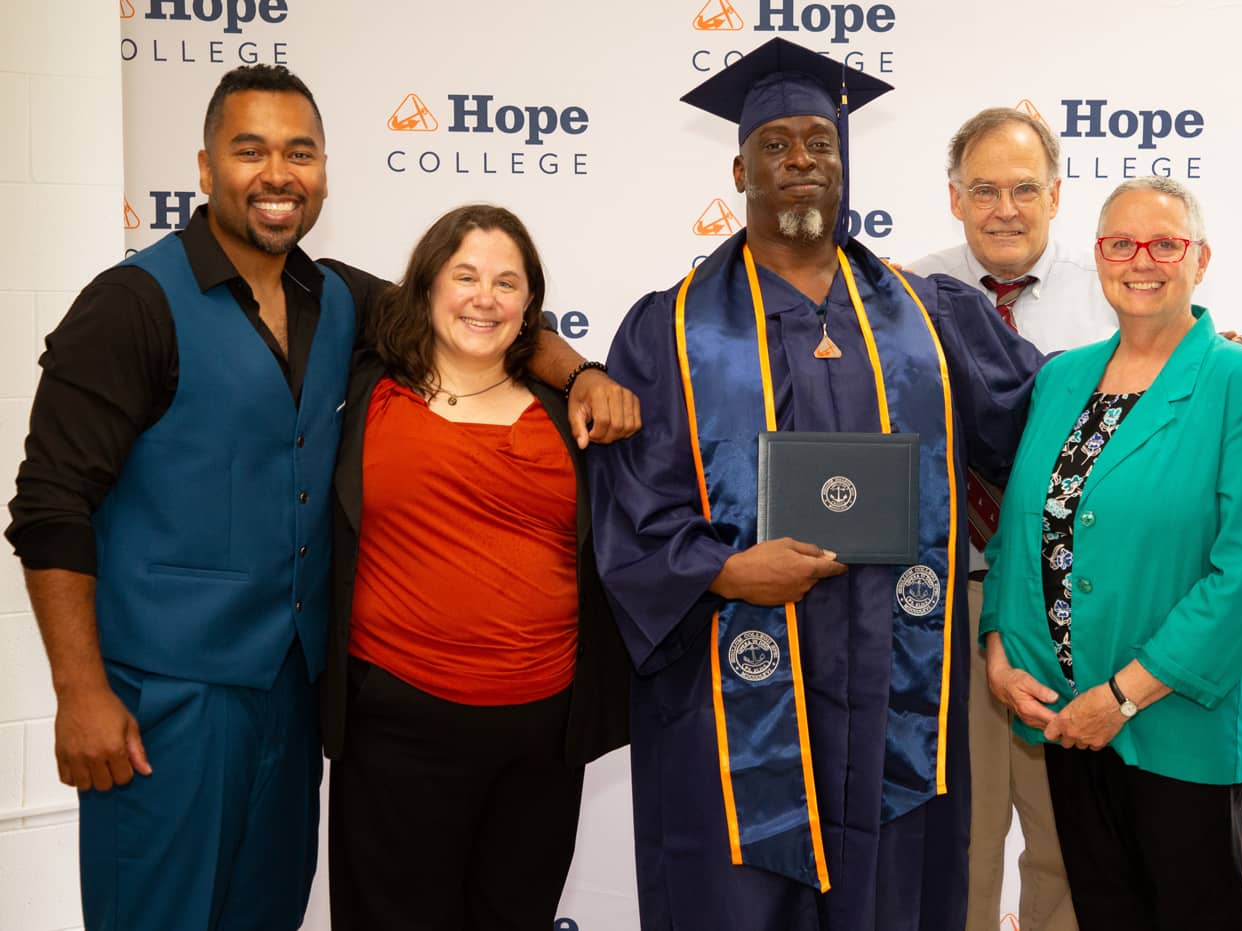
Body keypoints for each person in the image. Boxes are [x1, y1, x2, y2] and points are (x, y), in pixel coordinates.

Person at [3, 64, 635, 931]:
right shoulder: (130, 306)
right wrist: (79, 692)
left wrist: (584, 371)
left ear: (325, 172)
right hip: (166, 702)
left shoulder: (336, 295)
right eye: (250, 150)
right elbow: (48, 507)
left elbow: (478, 320)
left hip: (294, 696)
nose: (278, 174)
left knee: (269, 908)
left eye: (299, 153)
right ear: (205, 167)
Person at [589, 38, 1044, 931]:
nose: (801, 159)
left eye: (820, 142)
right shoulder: (669, 330)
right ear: (740, 169)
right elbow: (630, 503)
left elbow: (1040, 413)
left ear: (843, 162)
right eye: (776, 144)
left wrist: (1163, 362)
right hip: (730, 684)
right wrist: (722, 571)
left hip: (896, 675)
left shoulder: (929, 314)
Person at [979, 177, 1242, 931]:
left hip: (1174, 724)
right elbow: (1019, 537)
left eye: (1165, 244)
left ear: (1201, 259)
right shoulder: (1060, 378)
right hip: (1065, 721)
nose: (1141, 260)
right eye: (1121, 244)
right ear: (1098, 256)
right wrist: (998, 649)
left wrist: (1120, 697)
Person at [321, 203, 630, 928]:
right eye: (464, 276)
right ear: (427, 285)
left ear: (531, 306)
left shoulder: (572, 414)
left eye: (506, 283)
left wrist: (582, 371)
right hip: (395, 725)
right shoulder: (367, 384)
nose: (484, 298)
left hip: (542, 736)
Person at [912, 107, 1115, 931]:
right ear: (954, 198)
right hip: (936, 606)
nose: (1005, 210)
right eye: (984, 190)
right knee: (955, 837)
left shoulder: (1116, 298)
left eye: (1025, 189)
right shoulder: (901, 296)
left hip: (1065, 601)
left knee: (1067, 836)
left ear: (1057, 196)